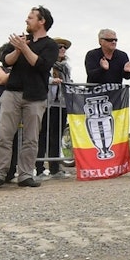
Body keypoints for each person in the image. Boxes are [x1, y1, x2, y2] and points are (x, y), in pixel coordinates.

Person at [0, 6, 59, 189]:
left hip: (35, 97)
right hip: (12, 93)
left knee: (31, 138)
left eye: (30, 17)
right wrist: (18, 49)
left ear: (41, 21)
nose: (26, 20)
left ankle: (26, 175)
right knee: (4, 136)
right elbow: (7, 61)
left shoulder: (50, 45)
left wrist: (24, 48)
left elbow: (40, 65)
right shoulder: (20, 41)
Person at [35, 37, 71, 177]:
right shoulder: (46, 63)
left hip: (61, 104)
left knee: (57, 137)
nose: (62, 49)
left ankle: (55, 168)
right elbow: (40, 78)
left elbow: (67, 81)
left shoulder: (66, 67)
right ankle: (39, 168)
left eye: (64, 47)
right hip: (47, 104)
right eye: (59, 47)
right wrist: (52, 80)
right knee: (43, 135)